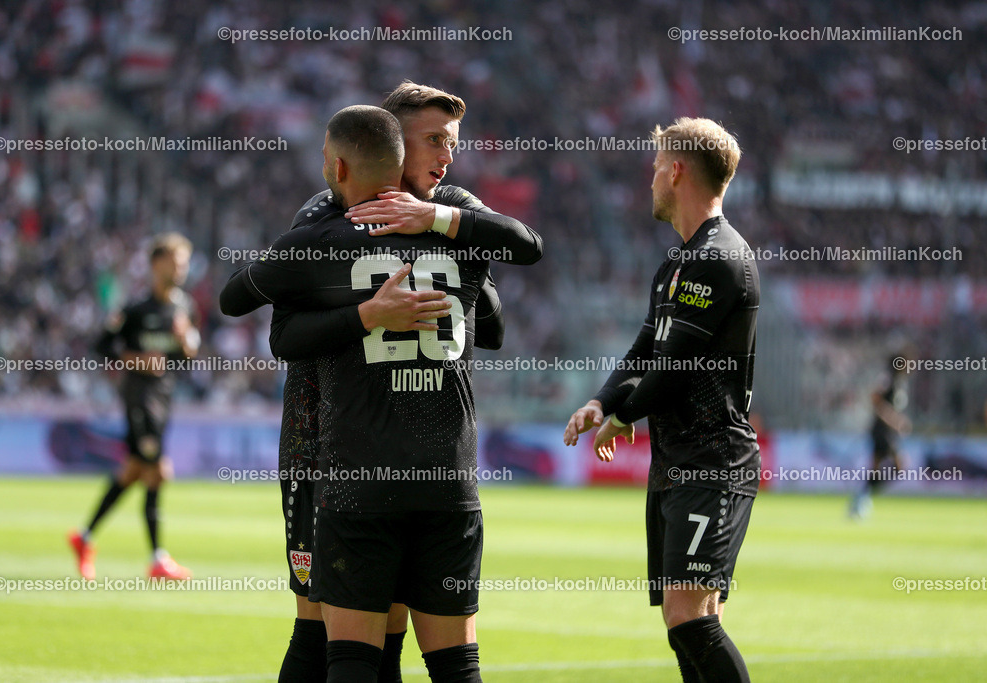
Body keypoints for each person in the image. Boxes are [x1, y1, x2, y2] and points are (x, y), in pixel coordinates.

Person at [223, 104, 540, 682]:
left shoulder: (452, 211)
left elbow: (490, 324)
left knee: (377, 638)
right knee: (315, 628)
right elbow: (281, 334)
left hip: (395, 456)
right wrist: (374, 308)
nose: (447, 156)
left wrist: (438, 227)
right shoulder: (325, 213)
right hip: (319, 448)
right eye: (434, 140)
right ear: (394, 143)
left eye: (453, 142)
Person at [564, 118, 758, 682]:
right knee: (689, 625)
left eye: (654, 167)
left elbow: (675, 366)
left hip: (712, 462)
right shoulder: (678, 262)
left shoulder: (718, 258)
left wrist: (624, 415)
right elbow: (647, 347)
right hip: (676, 462)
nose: (649, 179)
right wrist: (602, 402)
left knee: (689, 620)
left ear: (676, 172)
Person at [68, 232, 199, 581]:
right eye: (176, 262)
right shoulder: (135, 310)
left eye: (184, 263)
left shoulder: (184, 307)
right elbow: (102, 346)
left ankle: (84, 537)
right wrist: (136, 359)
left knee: (133, 471)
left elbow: (186, 356)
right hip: (139, 398)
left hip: (164, 397)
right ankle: (157, 559)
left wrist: (186, 342)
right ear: (157, 264)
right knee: (158, 471)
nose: (181, 269)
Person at [849, 352, 912, 519]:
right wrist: (894, 420)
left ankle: (861, 498)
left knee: (878, 469)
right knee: (898, 466)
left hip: (887, 433)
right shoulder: (889, 379)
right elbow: (875, 398)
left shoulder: (899, 382)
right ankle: (862, 498)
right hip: (881, 432)